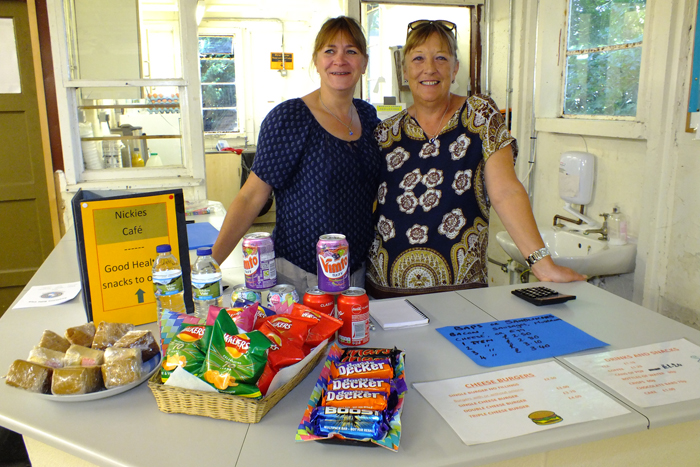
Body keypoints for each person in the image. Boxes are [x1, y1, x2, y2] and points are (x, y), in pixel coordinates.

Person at [365, 19, 585, 298]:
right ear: (405, 70)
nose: (429, 68)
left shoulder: (479, 116)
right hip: (385, 291)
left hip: (463, 292)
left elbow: (505, 191)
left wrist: (542, 264)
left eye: (441, 58)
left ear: (455, 68)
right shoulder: (385, 133)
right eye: (418, 58)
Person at [212, 16, 381, 296]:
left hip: (356, 274)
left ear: (363, 62)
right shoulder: (291, 118)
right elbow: (251, 196)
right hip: (301, 276)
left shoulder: (368, 117)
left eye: (351, 51)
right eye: (329, 51)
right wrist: (210, 265)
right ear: (316, 60)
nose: (339, 60)